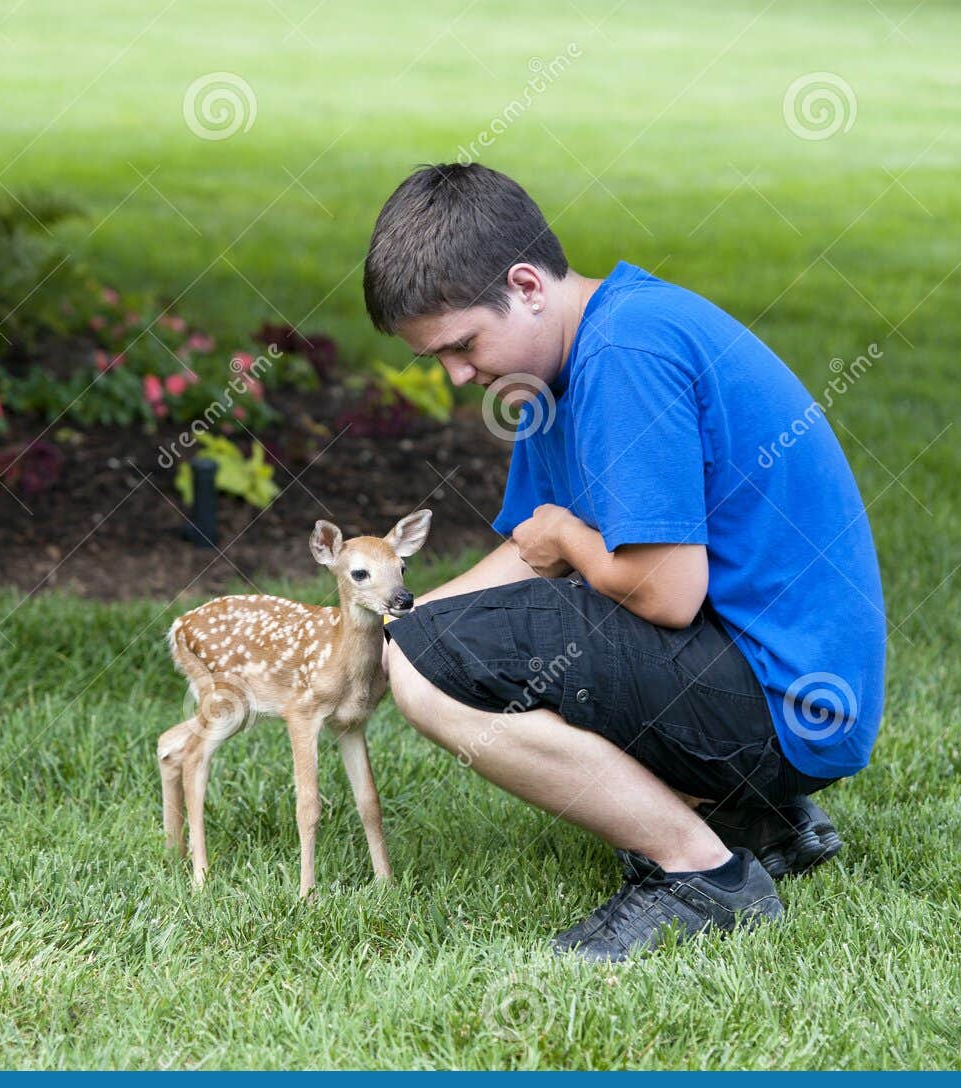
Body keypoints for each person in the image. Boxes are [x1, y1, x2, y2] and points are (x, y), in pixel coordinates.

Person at [365, 162, 886, 962]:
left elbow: (663, 591)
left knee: (434, 670)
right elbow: (530, 550)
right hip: (782, 687)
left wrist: (560, 552)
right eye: (439, 358)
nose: (459, 374)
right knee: (426, 654)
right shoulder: (561, 363)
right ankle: (755, 819)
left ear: (528, 284)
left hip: (787, 701)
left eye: (463, 345)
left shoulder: (626, 351)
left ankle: (701, 873)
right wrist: (404, 627)